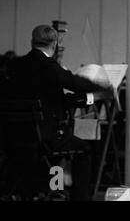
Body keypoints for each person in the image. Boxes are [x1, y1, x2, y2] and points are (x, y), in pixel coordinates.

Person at [2, 25, 111, 200]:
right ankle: (77, 197)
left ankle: (50, 189)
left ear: (31, 42)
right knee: (82, 149)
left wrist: (91, 98)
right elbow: (73, 83)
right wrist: (101, 88)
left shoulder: (15, 65)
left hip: (14, 136)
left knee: (49, 150)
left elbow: (54, 101)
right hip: (44, 138)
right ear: (54, 45)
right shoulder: (48, 66)